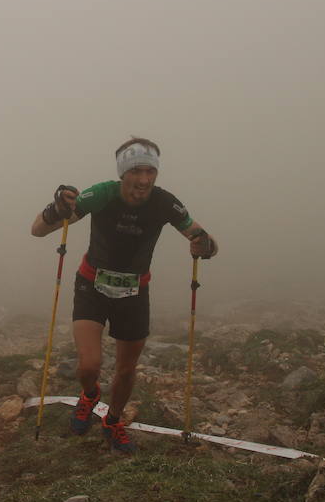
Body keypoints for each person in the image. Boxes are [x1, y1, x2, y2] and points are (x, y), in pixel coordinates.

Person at [30, 137, 218, 454]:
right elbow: (38, 229)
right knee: (89, 365)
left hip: (134, 290)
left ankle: (113, 420)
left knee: (127, 369)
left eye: (150, 171)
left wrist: (205, 245)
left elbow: (201, 237)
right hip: (91, 284)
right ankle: (89, 395)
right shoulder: (101, 195)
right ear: (122, 172)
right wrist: (56, 209)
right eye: (136, 171)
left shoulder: (164, 203)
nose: (144, 180)